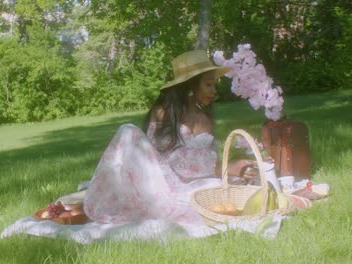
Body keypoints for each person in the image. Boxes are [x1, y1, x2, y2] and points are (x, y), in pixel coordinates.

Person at [82, 50, 259, 225]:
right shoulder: (163, 113)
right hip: (159, 182)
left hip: (191, 184)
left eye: (214, 85)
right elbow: (163, 161)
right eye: (208, 84)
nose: (214, 90)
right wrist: (225, 167)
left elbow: (207, 162)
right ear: (191, 86)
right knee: (127, 130)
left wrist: (234, 167)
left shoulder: (206, 119)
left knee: (229, 190)